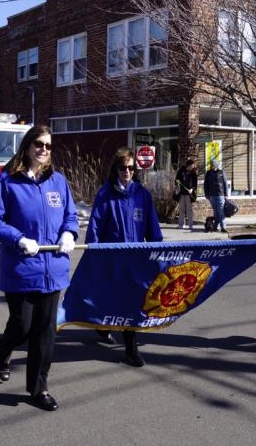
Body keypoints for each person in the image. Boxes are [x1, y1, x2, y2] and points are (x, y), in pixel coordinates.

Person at [0, 125, 79, 411]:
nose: (44, 150)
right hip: (22, 268)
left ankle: (39, 388)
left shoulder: (58, 181)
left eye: (48, 146)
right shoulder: (7, 181)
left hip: (54, 271)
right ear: (27, 146)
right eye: (39, 144)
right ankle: (2, 354)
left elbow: (70, 216)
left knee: (45, 333)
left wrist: (69, 234)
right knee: (22, 325)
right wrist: (19, 239)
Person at [86, 147, 163, 367]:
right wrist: (95, 253)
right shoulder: (105, 194)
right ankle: (102, 326)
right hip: (113, 258)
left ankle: (131, 349)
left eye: (131, 168)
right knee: (110, 297)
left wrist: (157, 251)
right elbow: (96, 226)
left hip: (136, 260)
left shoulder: (143, 195)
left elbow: (153, 228)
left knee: (132, 303)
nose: (127, 171)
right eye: (123, 167)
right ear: (116, 169)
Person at [203, 159, 229, 232]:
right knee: (215, 211)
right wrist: (206, 194)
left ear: (217, 165)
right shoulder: (208, 173)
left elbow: (225, 184)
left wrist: (226, 194)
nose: (213, 167)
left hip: (220, 195)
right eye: (212, 165)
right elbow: (206, 184)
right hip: (211, 195)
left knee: (220, 211)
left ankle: (223, 227)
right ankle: (215, 227)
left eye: (214, 165)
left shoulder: (221, 172)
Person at [175, 158, 198, 230]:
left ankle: (190, 225)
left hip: (189, 194)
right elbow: (176, 179)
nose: (193, 167)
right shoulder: (181, 170)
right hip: (182, 193)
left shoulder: (194, 173)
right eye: (192, 165)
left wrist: (192, 189)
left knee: (189, 210)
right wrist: (177, 182)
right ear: (188, 165)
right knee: (181, 209)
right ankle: (181, 225)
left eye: (193, 166)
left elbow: (195, 184)